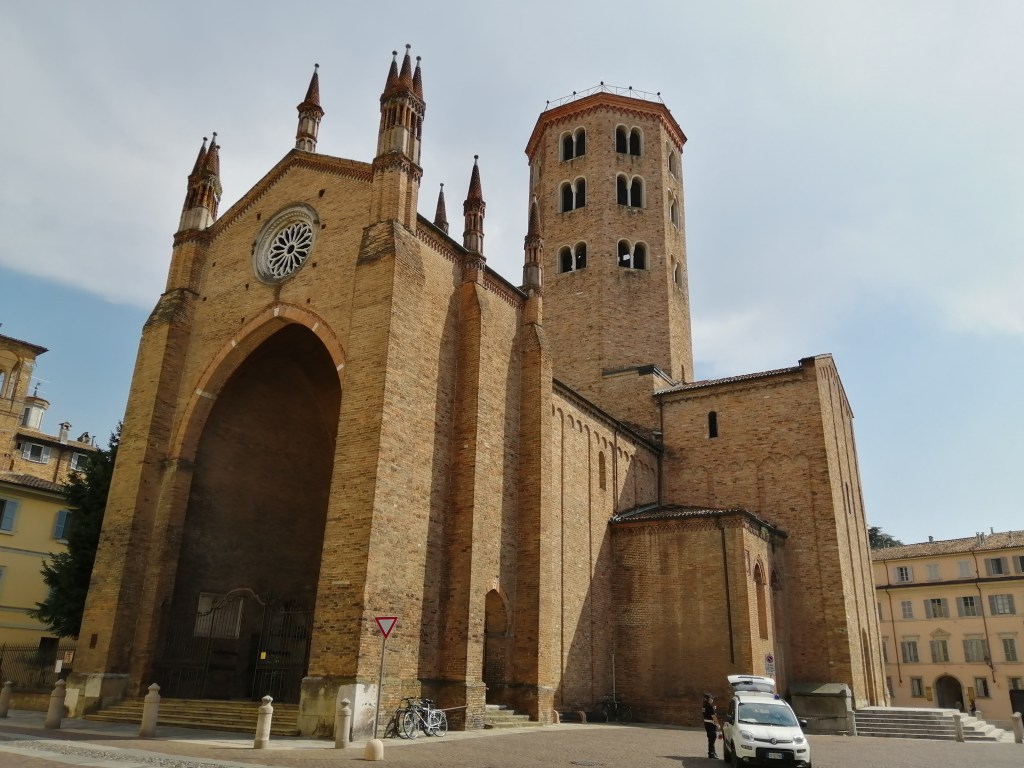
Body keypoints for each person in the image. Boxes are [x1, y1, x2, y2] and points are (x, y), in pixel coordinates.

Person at [702, 692, 719, 759]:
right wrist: (717, 724)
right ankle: (711, 753)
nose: (712, 699)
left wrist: (713, 709)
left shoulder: (704, 706)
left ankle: (713, 751)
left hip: (707, 724)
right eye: (711, 698)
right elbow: (713, 716)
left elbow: (707, 713)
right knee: (712, 738)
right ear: (708, 699)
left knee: (710, 738)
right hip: (711, 724)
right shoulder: (710, 706)